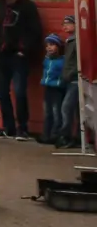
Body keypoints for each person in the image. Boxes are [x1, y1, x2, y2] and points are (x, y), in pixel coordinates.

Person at [0, 0, 42, 140]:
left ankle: (23, 129)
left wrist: (23, 50)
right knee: (2, 92)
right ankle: (8, 127)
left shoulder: (27, 6)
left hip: (18, 56)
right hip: (0, 55)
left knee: (19, 92)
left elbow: (35, 31)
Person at [40, 32, 69, 145]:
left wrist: (60, 83)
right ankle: (46, 134)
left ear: (58, 46)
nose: (49, 47)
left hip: (57, 89)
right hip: (48, 88)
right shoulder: (47, 59)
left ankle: (55, 135)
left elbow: (63, 74)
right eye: (47, 45)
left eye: (52, 44)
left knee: (57, 112)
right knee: (47, 112)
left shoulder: (62, 61)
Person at [59, 14, 81, 149]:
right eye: (64, 23)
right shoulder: (69, 41)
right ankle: (76, 137)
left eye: (68, 23)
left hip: (75, 81)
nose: (65, 26)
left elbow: (77, 62)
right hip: (69, 80)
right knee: (76, 110)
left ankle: (66, 136)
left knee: (66, 108)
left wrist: (70, 74)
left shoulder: (77, 41)